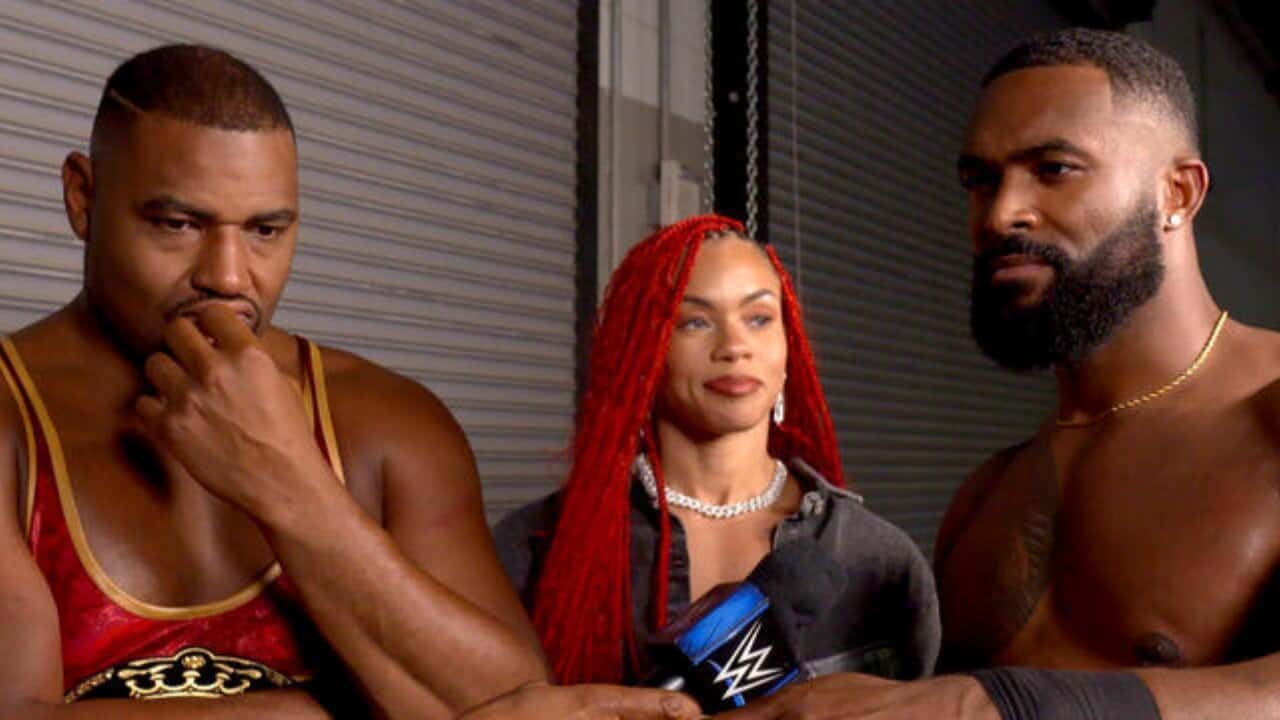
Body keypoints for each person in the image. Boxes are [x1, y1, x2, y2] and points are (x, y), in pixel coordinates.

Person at [716, 28, 1280, 720]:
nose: (1002, 213)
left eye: (1054, 169)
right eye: (980, 181)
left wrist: (982, 704)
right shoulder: (986, 499)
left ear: (1178, 192)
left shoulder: (1269, 413)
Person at [0, 44, 552, 718]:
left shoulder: (385, 424)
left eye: (265, 230)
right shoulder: (11, 420)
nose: (228, 276)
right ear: (83, 198)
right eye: (178, 224)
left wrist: (291, 485)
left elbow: (524, 709)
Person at [494, 214, 939, 690]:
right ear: (642, 352)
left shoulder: (878, 558)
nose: (734, 346)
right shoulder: (534, 549)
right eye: (696, 322)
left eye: (759, 319)